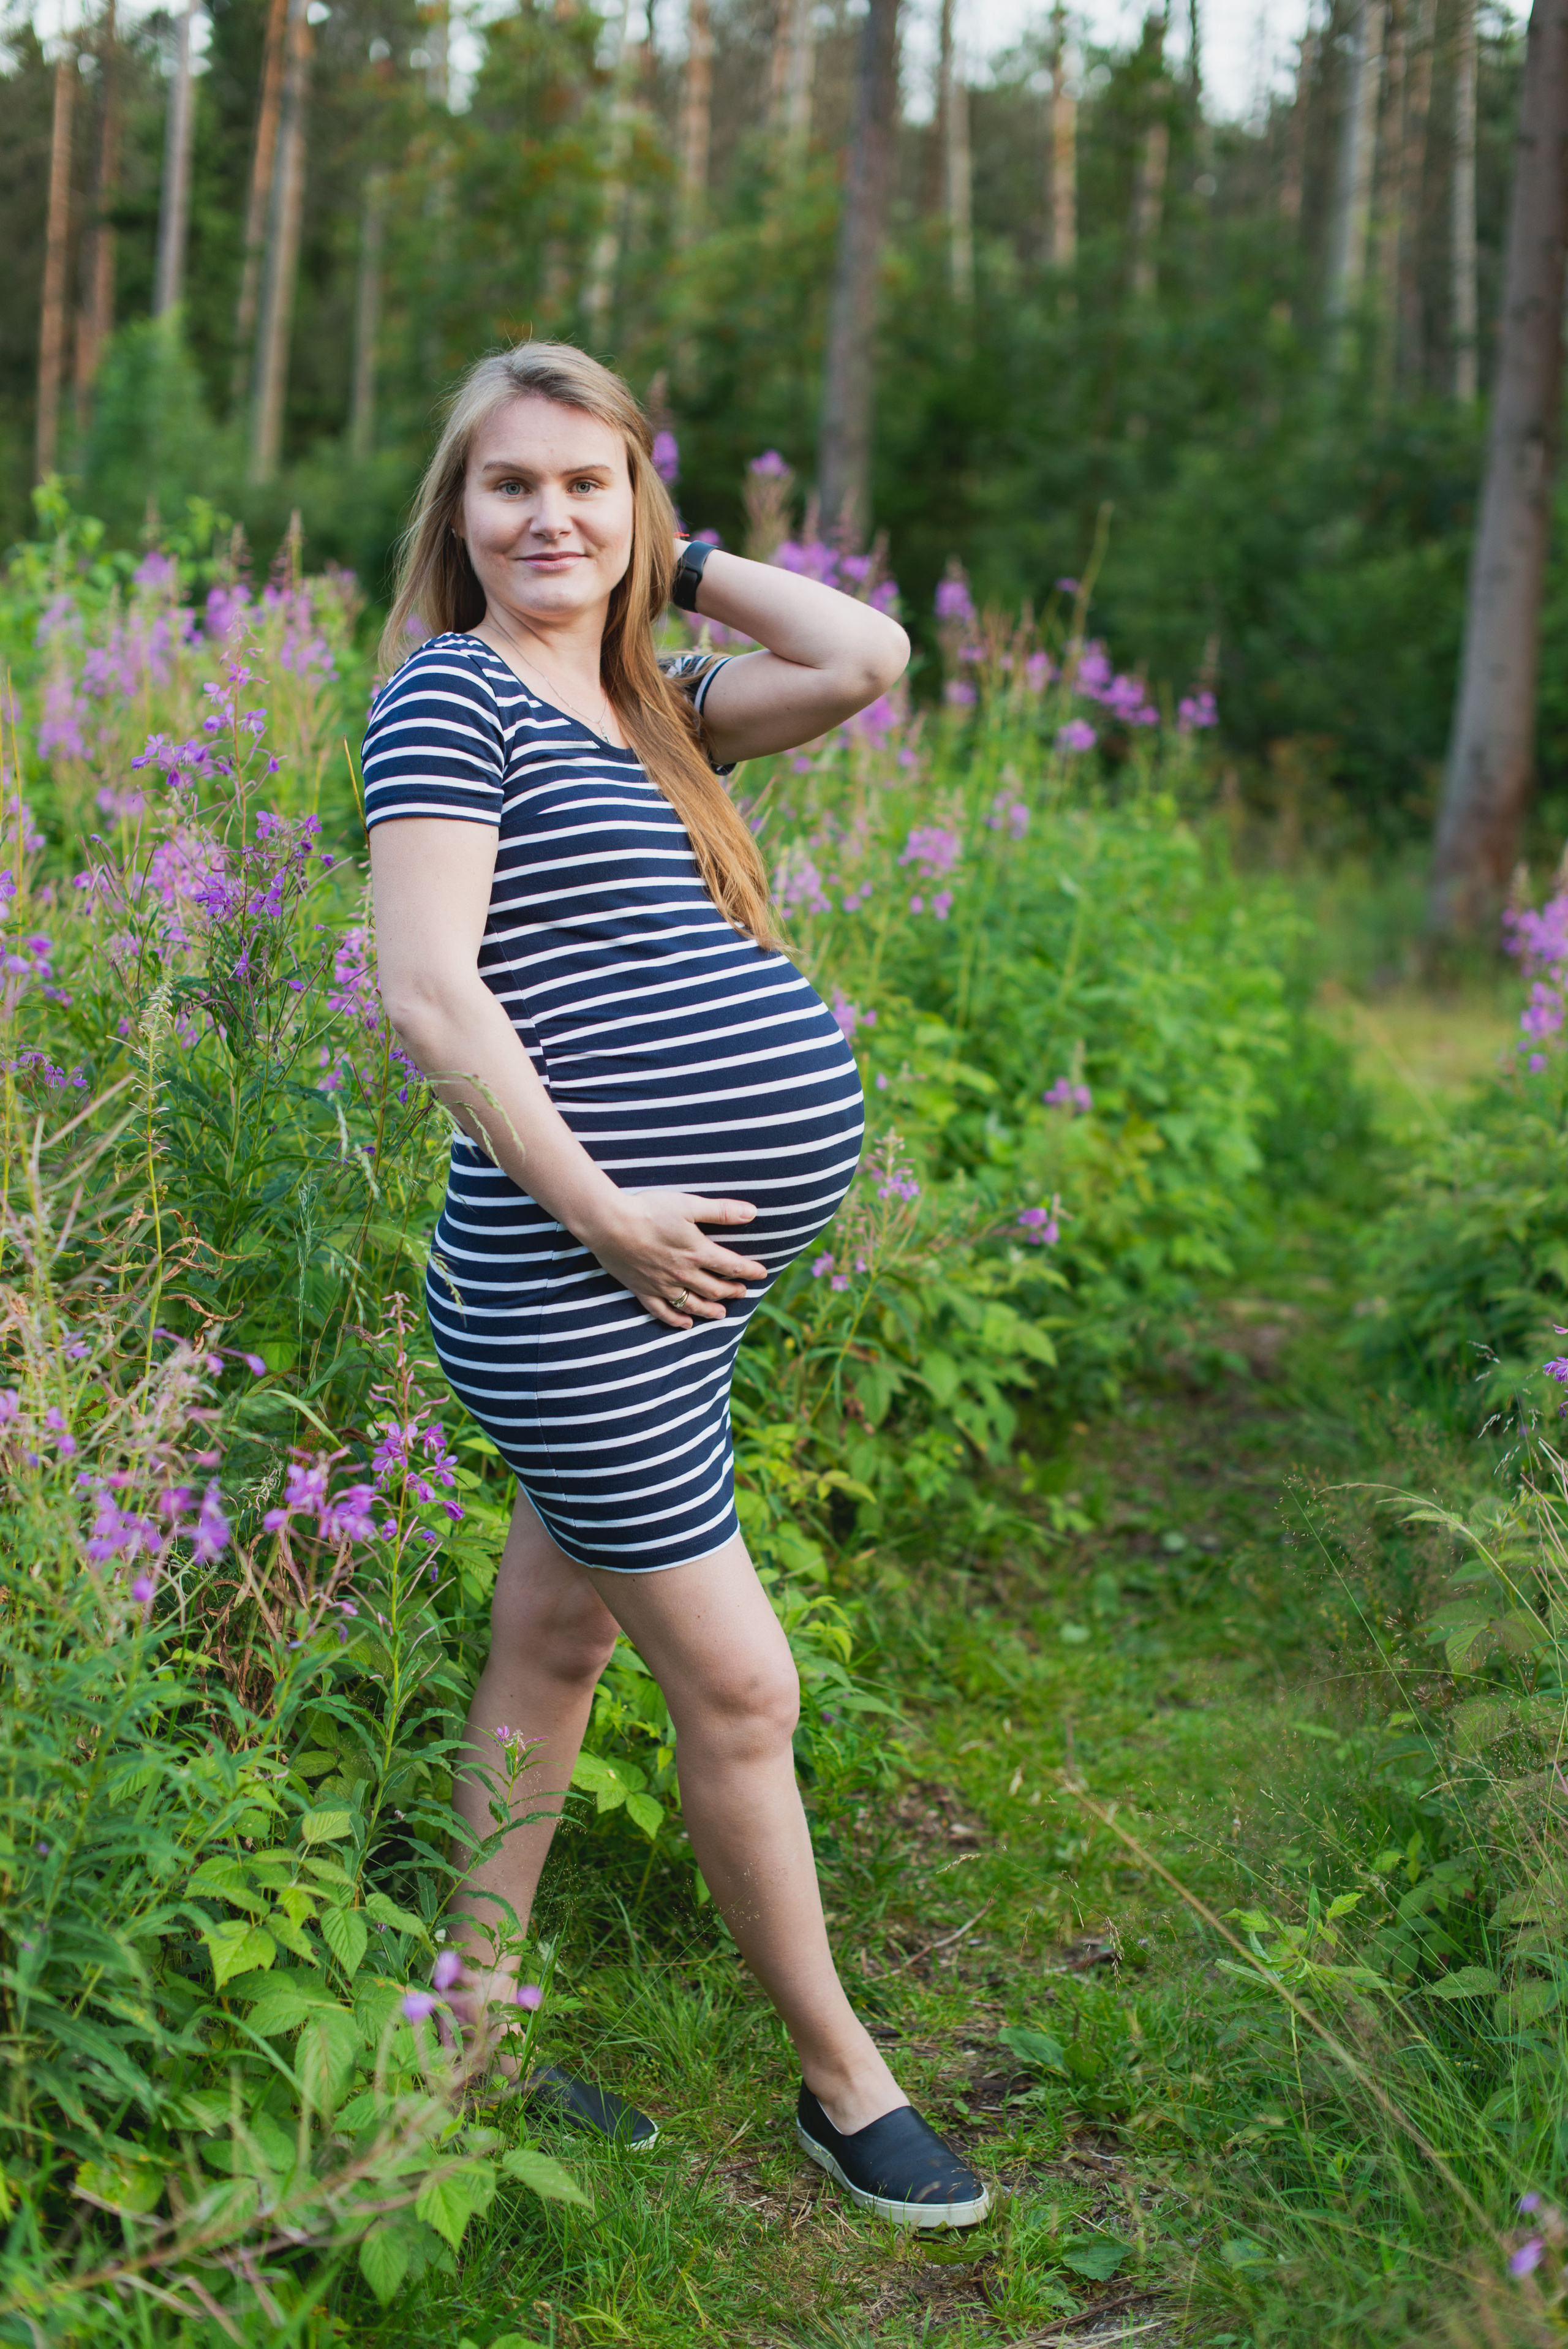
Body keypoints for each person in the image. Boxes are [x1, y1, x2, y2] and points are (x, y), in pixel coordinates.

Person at [364, 340, 989, 2229]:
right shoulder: (452, 703)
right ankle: (840, 2077)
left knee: (553, 1645)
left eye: (588, 483)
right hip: (578, 1286)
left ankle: (458, 2039)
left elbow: (872, 661)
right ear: (455, 518)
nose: (546, 516)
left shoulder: (650, 699)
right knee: (740, 1689)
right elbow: (429, 995)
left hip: (662, 1291)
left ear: (635, 505)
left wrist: (676, 556)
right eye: (509, 487)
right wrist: (614, 1214)